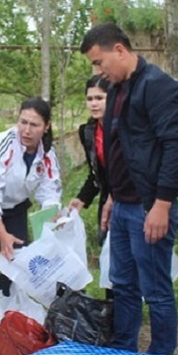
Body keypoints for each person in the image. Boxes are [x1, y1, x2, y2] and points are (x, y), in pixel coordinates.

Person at [80, 22, 178, 355]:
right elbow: (120, 148)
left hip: (150, 207)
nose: (98, 72)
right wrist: (111, 194)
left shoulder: (160, 88)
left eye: (99, 63)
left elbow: (176, 148)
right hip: (124, 205)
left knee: (156, 291)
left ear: (120, 50)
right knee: (123, 284)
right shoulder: (116, 90)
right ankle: (124, 353)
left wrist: (161, 203)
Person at [0, 97, 62, 355]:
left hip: (16, 207)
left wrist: (52, 222)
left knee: (16, 265)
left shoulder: (47, 152)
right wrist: (1, 234)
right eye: (23, 122)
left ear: (46, 126)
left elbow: (49, 190)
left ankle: (9, 323)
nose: (27, 130)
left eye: (34, 124)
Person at [68, 75, 110, 245]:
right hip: (107, 197)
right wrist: (82, 199)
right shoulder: (88, 131)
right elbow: (97, 173)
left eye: (100, 98)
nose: (94, 104)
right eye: (90, 99)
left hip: (132, 198)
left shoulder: (125, 127)